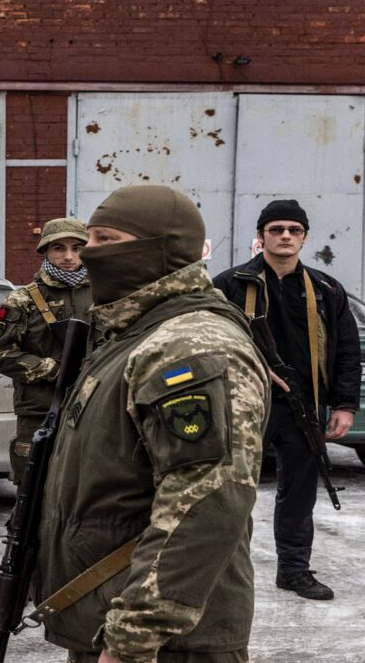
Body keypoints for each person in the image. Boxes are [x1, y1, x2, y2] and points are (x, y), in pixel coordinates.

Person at [34, 185, 269, 663]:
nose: (87, 255)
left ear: (162, 251)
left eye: (104, 240)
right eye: (85, 242)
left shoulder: (189, 344)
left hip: (166, 642)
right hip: (106, 607)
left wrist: (134, 635)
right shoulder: (135, 333)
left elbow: (206, 503)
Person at [213, 199, 361, 601]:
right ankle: (217, 573)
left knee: (298, 493)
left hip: (302, 405)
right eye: (276, 229)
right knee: (228, 491)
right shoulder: (229, 284)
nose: (285, 236)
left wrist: (345, 405)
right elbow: (206, 340)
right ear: (261, 237)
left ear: (304, 237)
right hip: (243, 404)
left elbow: (347, 348)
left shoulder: (326, 288)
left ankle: (294, 570)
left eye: (293, 231)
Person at [0, 218, 92, 484]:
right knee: (33, 488)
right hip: (41, 409)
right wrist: (52, 369)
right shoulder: (23, 300)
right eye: (59, 248)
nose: (69, 256)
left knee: (86, 485)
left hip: (93, 404)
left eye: (77, 248)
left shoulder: (105, 294)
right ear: (45, 251)